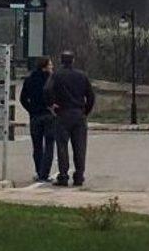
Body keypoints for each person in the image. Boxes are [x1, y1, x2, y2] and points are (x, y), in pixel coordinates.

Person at [44, 51, 95, 187]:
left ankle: (64, 175)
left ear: (61, 61)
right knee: (79, 147)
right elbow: (90, 96)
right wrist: (85, 111)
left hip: (62, 113)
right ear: (73, 61)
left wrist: (51, 105)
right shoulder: (82, 76)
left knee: (62, 146)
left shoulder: (57, 75)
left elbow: (47, 90)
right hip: (79, 113)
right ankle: (79, 175)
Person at [20, 56, 55, 182]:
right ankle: (45, 173)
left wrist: (31, 109)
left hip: (35, 116)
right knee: (49, 145)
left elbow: (23, 98)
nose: (52, 67)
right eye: (50, 65)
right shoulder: (51, 80)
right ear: (45, 66)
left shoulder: (29, 79)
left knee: (37, 145)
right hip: (49, 114)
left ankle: (38, 170)